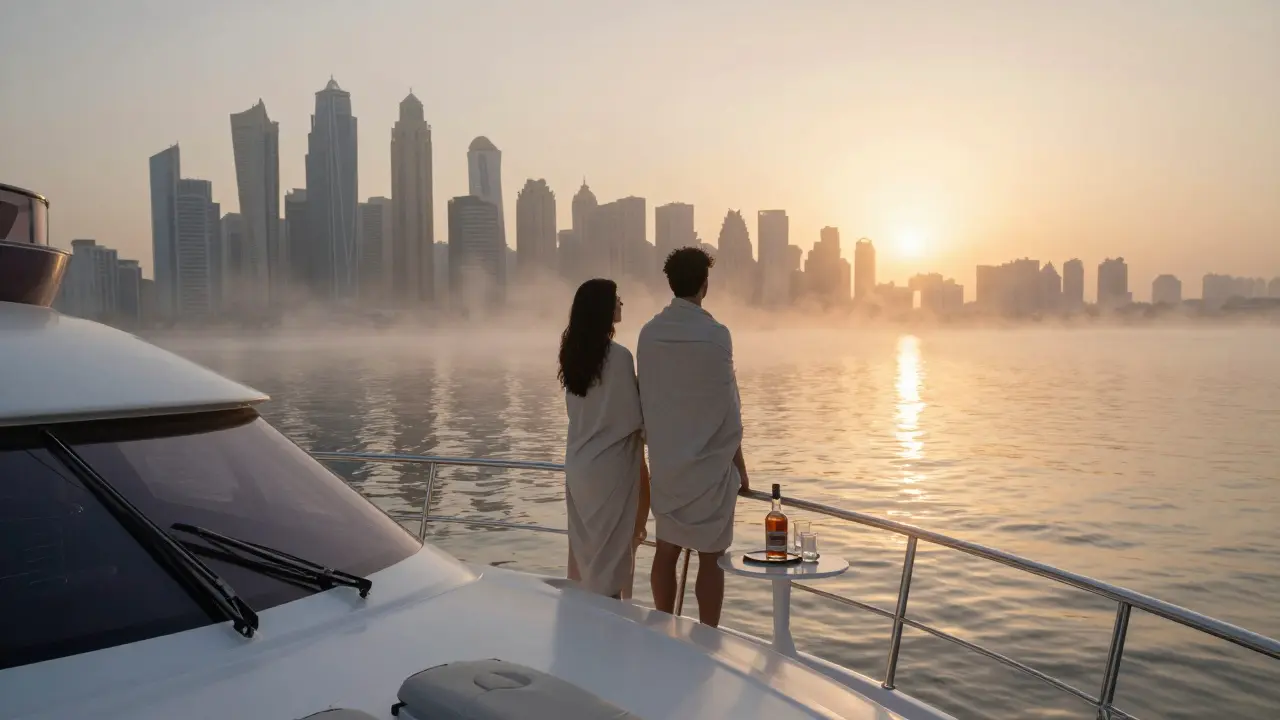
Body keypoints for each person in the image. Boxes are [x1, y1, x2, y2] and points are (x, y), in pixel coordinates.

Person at [637, 247, 749, 627]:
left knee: (666, 550)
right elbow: (728, 409)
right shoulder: (717, 336)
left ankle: (663, 629)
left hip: (667, 464)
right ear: (705, 284)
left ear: (671, 284)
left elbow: (649, 399)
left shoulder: (649, 335)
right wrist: (741, 469)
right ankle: (708, 637)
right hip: (709, 470)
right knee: (711, 557)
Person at [559, 278, 651, 600]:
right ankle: (606, 633)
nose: (621, 305)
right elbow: (633, 417)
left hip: (579, 466)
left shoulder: (572, 358)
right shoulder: (620, 358)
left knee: (586, 557)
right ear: (604, 310)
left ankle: (583, 628)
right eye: (617, 300)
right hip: (610, 469)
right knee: (610, 560)